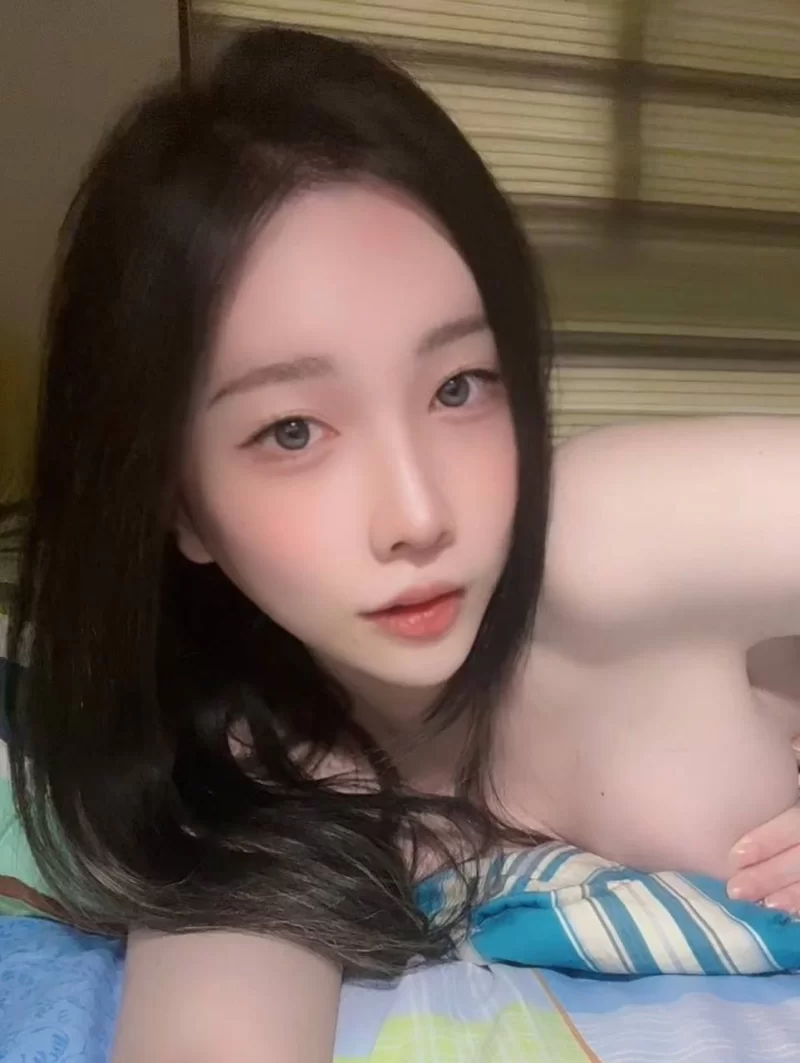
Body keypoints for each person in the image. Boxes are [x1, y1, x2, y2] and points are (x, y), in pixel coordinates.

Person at [7, 24, 800, 1063]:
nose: (417, 514)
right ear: (179, 505)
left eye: (458, 386)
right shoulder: (256, 792)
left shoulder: (610, 535)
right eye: (293, 431)